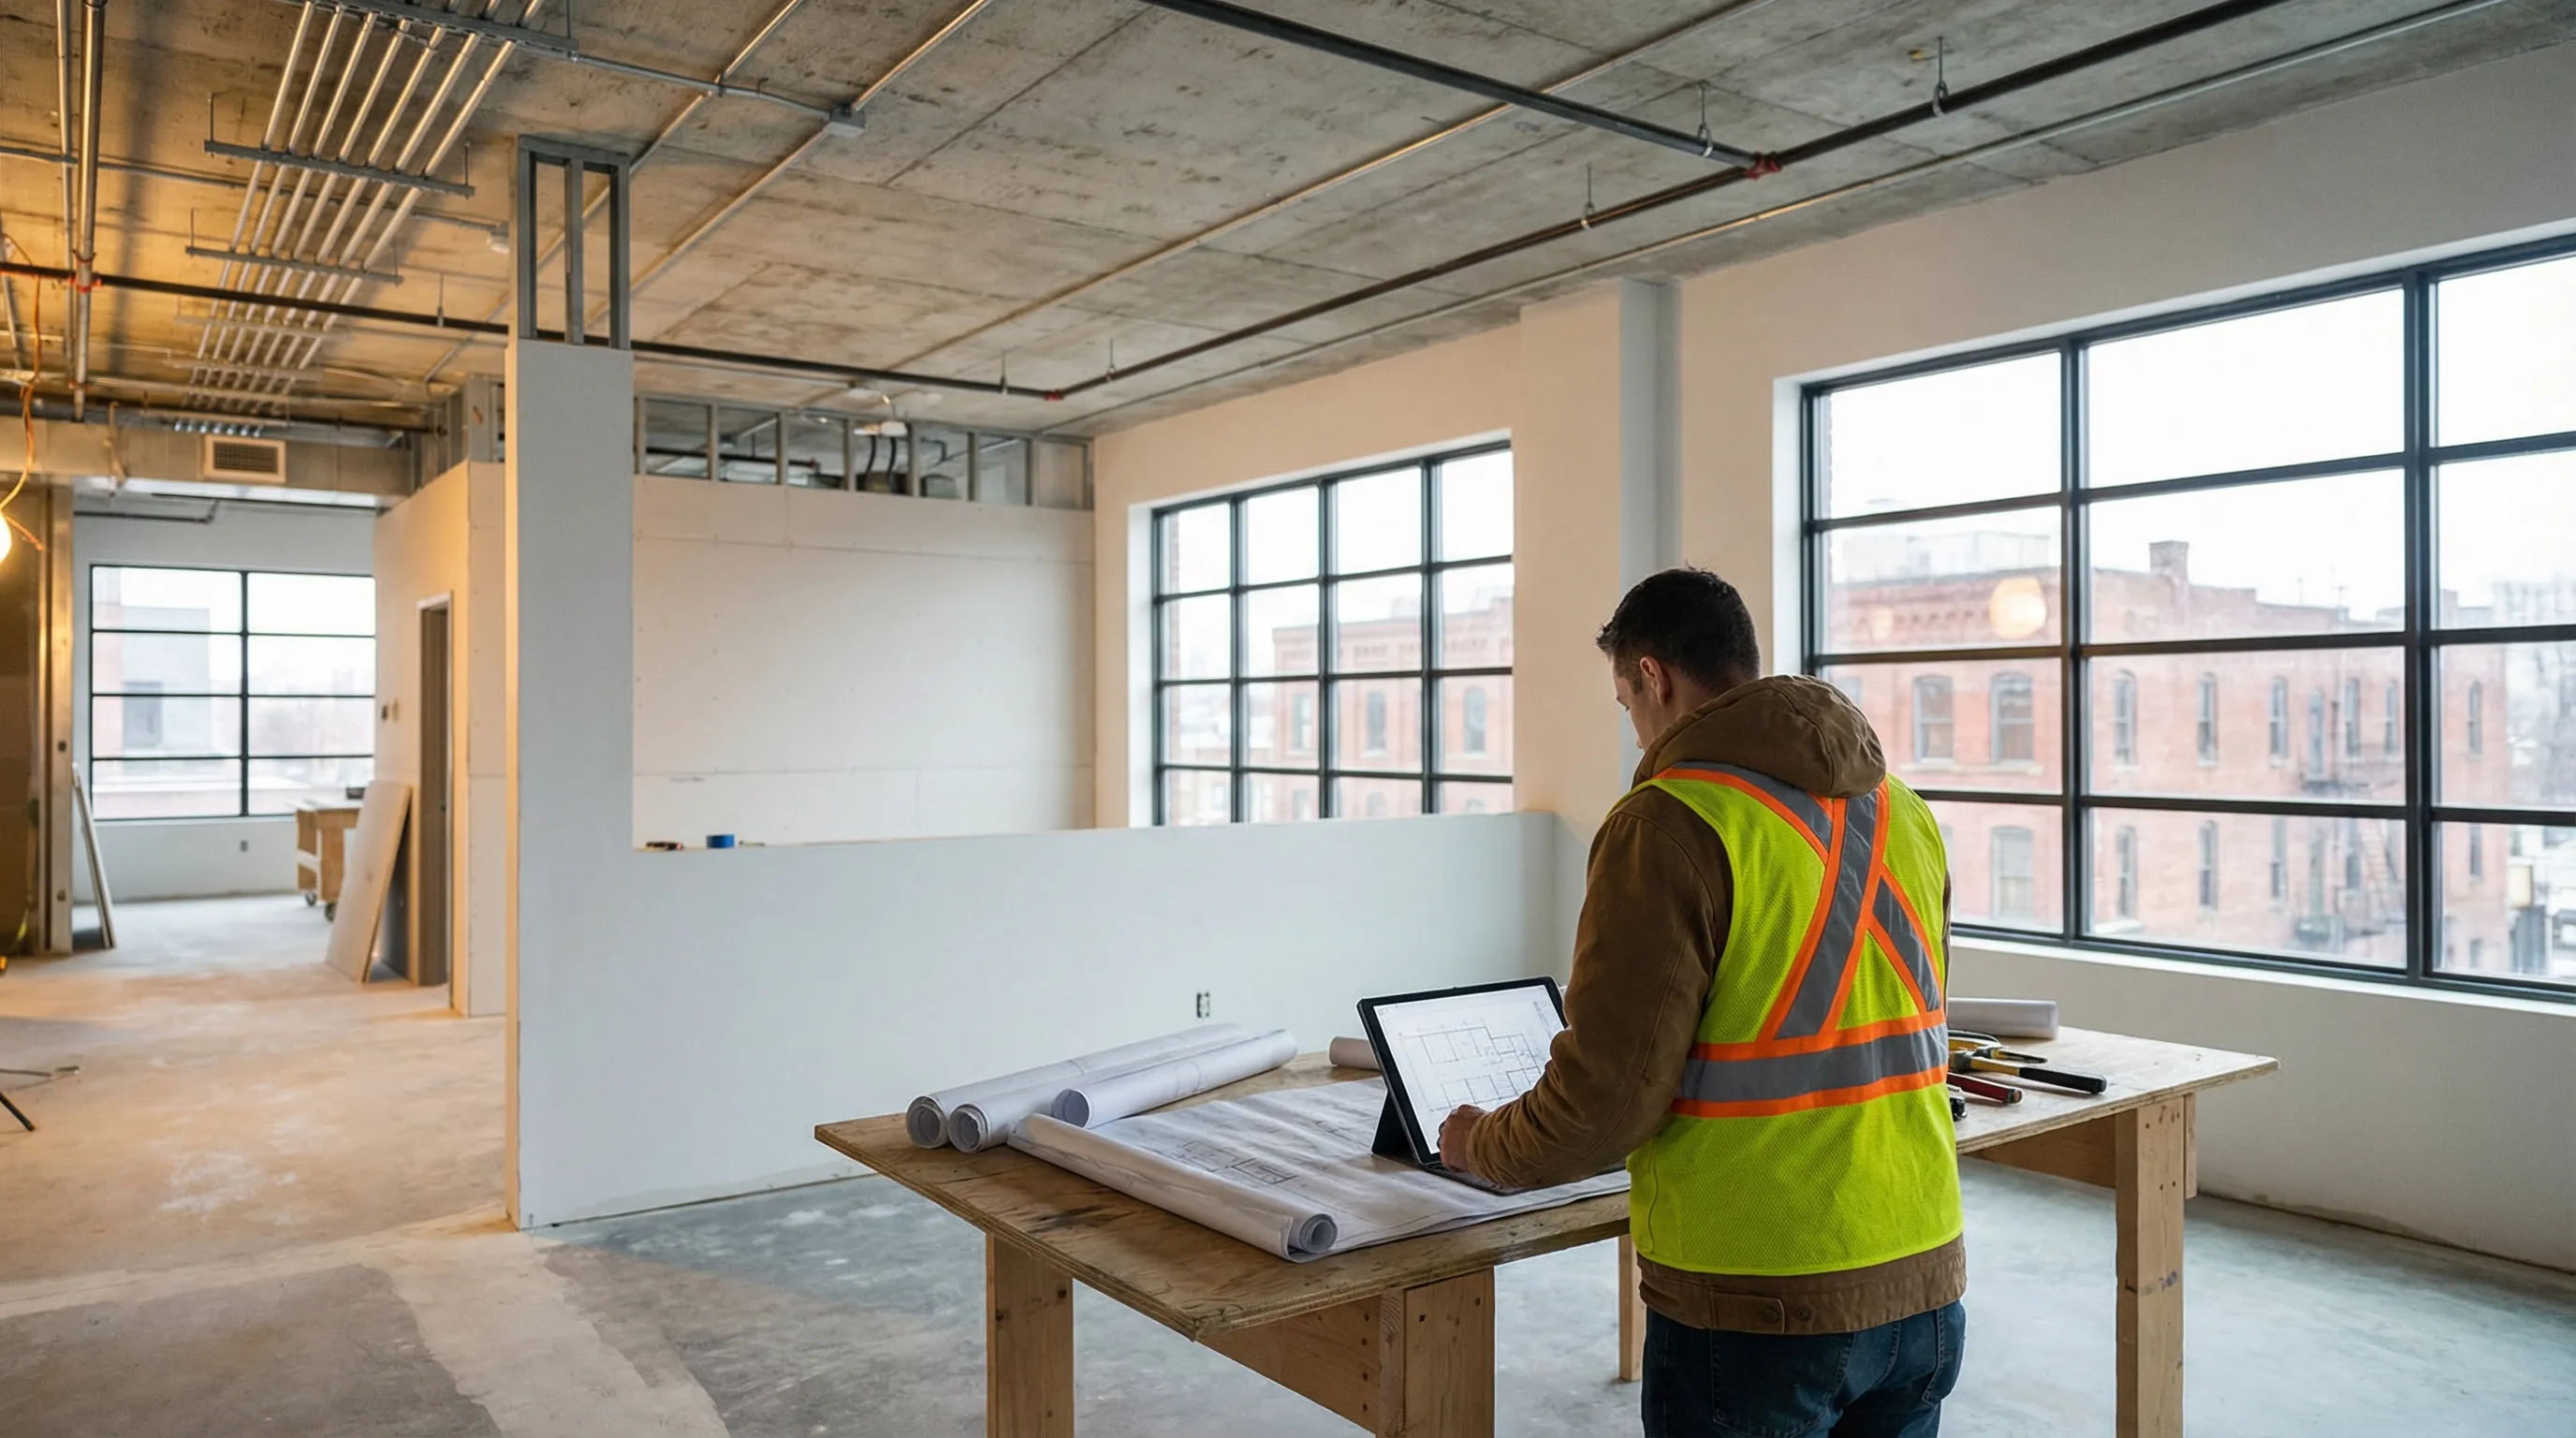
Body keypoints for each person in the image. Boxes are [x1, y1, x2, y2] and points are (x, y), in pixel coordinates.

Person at [1438, 567, 1965, 1438]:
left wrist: (1479, 1143)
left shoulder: (1667, 822)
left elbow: (1604, 1105)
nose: (1633, 726)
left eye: (1625, 701)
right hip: (1925, 1281)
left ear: (1654, 677)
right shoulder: (1898, 806)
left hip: (1758, 1300)